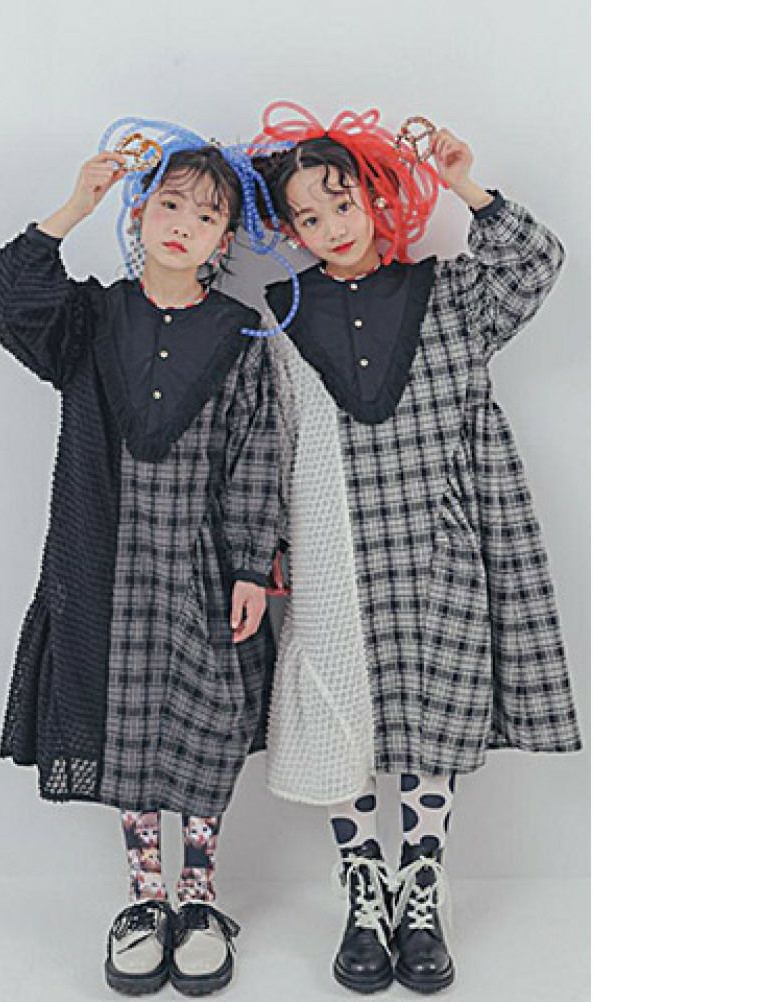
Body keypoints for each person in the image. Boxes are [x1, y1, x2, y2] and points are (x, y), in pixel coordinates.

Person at [252, 101, 582, 994]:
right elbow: (272, 438)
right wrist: (266, 545)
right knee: (338, 716)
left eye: (342, 203)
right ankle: (364, 887)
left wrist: (468, 187)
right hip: (330, 540)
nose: (331, 227)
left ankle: (421, 883)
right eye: (308, 218)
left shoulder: (447, 290)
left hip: (441, 531)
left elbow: (537, 263)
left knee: (437, 705)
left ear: (376, 195)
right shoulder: (280, 315)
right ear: (290, 232)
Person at [0, 118, 293, 997]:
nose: (184, 224)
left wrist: (250, 566)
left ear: (225, 241)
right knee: (126, 726)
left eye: (207, 215)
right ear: (141, 212)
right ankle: (146, 898)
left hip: (200, 565)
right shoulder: (90, 317)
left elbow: (255, 453)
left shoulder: (240, 332)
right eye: (170, 204)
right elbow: (1, 295)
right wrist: (76, 203)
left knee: (207, 724)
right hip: (103, 559)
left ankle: (200, 897)